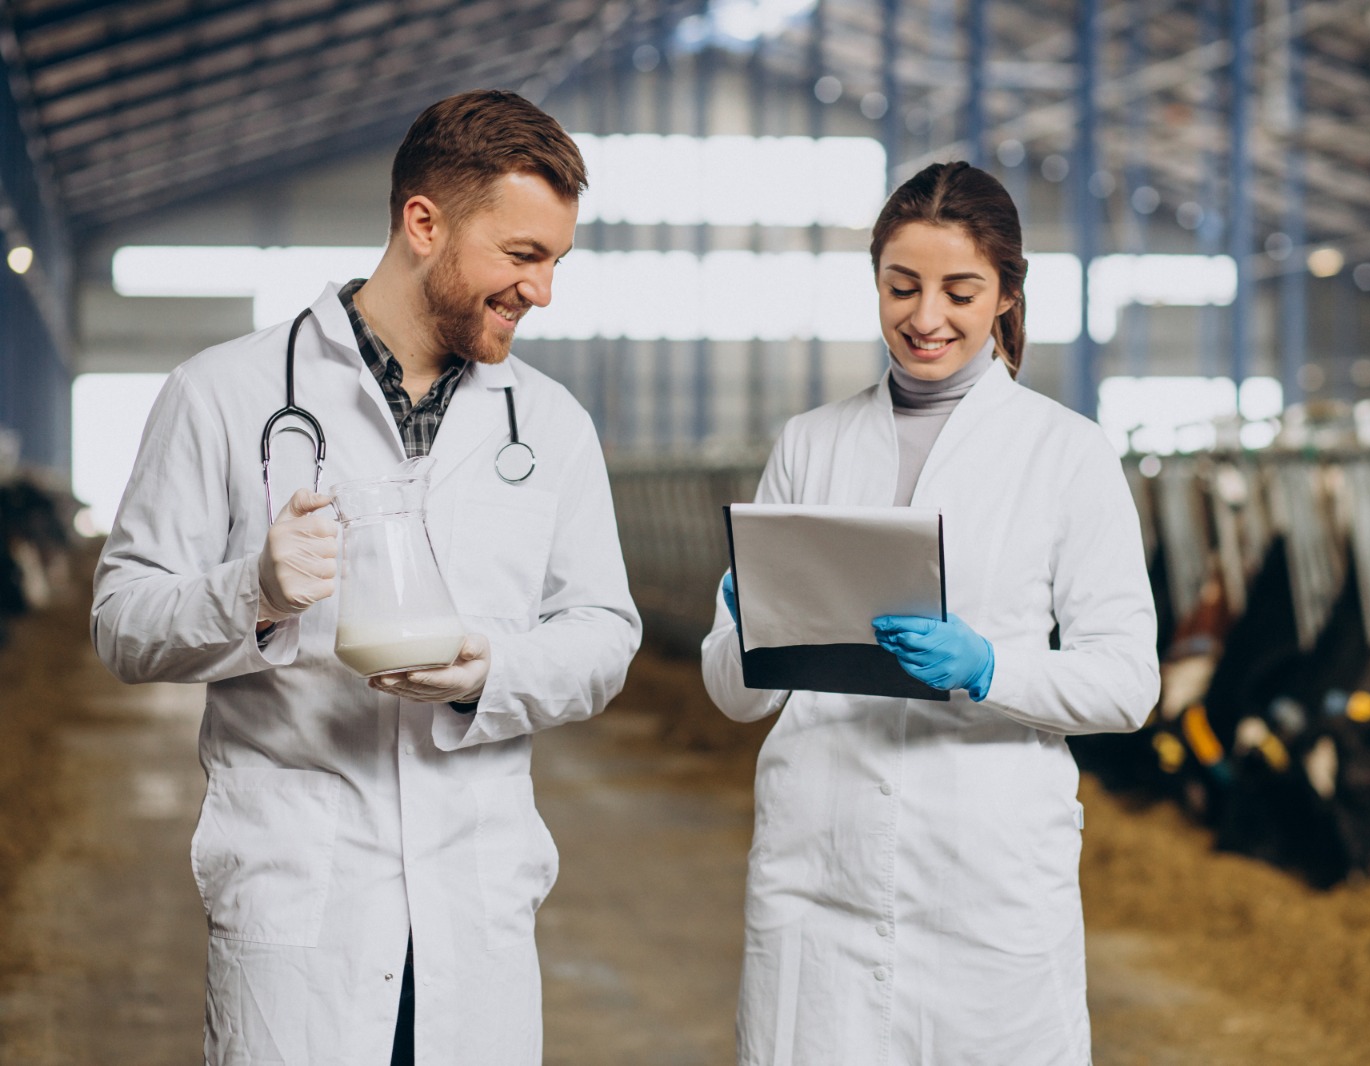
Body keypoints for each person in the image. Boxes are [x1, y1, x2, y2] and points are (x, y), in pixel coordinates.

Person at [91, 90, 640, 1064]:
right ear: (423, 223)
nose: (544, 291)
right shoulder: (227, 392)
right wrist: (250, 592)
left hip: (474, 909)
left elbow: (604, 634)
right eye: (522, 256)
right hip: (301, 908)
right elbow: (123, 620)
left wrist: (488, 669)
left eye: (556, 260)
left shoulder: (548, 424)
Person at [701, 161, 1160, 1064]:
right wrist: (749, 631)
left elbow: (1128, 683)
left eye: (960, 291)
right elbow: (736, 698)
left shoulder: (1065, 454)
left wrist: (993, 669)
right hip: (817, 872)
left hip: (984, 880)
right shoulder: (810, 444)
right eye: (901, 286)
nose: (924, 317)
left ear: (1005, 297)